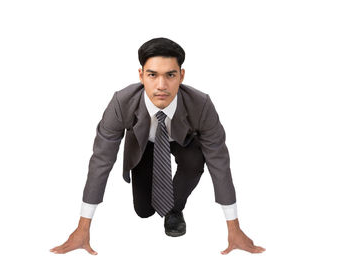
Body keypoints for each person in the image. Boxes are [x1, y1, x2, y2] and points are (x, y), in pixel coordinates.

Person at [50, 37, 265, 255]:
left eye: (170, 75)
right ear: (141, 75)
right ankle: (155, 197)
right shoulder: (121, 103)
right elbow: (101, 160)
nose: (161, 86)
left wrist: (234, 227)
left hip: (183, 141)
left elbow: (219, 161)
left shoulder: (201, 105)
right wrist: (82, 227)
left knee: (194, 161)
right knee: (143, 211)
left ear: (181, 76)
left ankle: (175, 209)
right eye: (152, 75)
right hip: (145, 144)